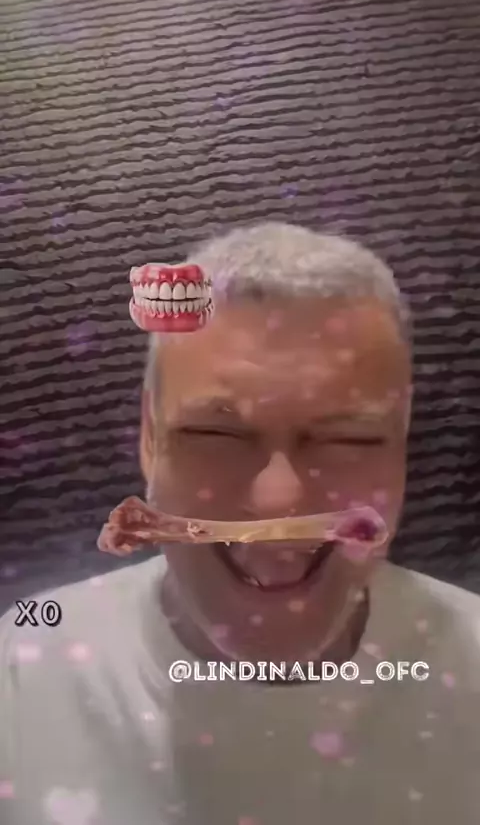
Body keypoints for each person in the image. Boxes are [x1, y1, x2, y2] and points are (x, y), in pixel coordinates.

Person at [1, 222, 479, 825]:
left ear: (402, 445)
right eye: (215, 433)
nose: (278, 502)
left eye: (348, 439)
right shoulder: (24, 664)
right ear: (149, 438)